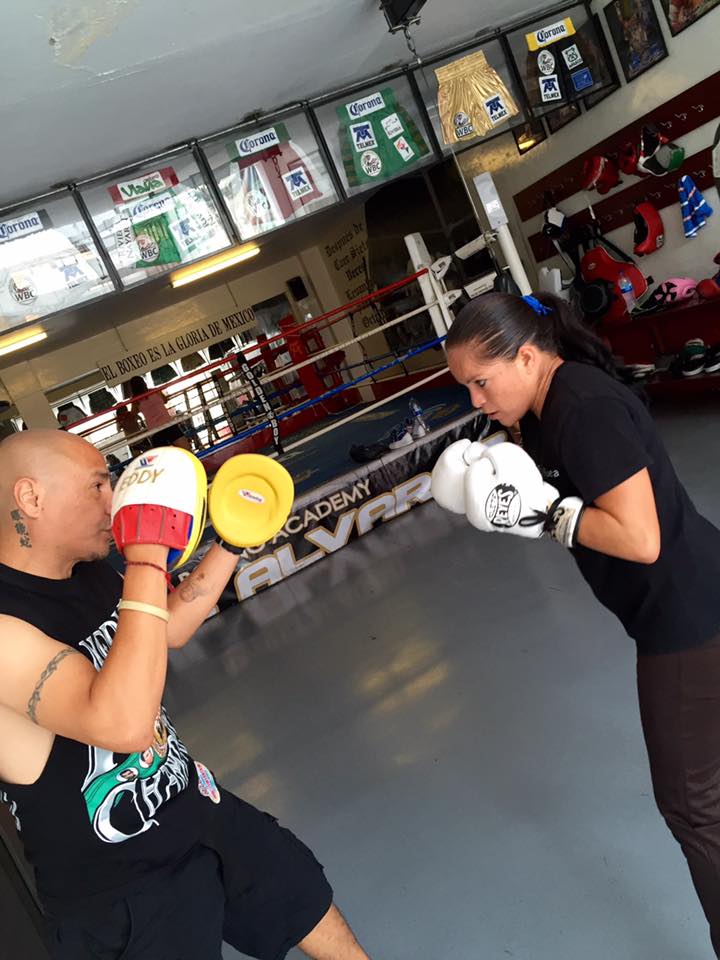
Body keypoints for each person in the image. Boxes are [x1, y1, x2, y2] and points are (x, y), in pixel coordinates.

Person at [0, 430, 370, 960]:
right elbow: (121, 724)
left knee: (300, 895)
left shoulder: (88, 574)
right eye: (97, 486)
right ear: (31, 498)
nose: (114, 501)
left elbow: (163, 628)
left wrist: (232, 543)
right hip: (119, 884)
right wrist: (148, 555)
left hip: (193, 803)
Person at [433, 291, 720, 956]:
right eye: (465, 389)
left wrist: (549, 515)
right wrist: (493, 473)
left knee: (692, 807)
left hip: (685, 619)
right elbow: (543, 479)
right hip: (699, 592)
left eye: (481, 382)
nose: (476, 401)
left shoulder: (580, 408)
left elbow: (640, 538)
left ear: (528, 355)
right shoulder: (544, 407)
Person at [127, 375, 192, 451]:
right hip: (168, 423)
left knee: (163, 457)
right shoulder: (155, 391)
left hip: (155, 430)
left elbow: (133, 414)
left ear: (133, 389)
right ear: (144, 383)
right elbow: (165, 400)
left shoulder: (136, 401)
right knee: (187, 450)